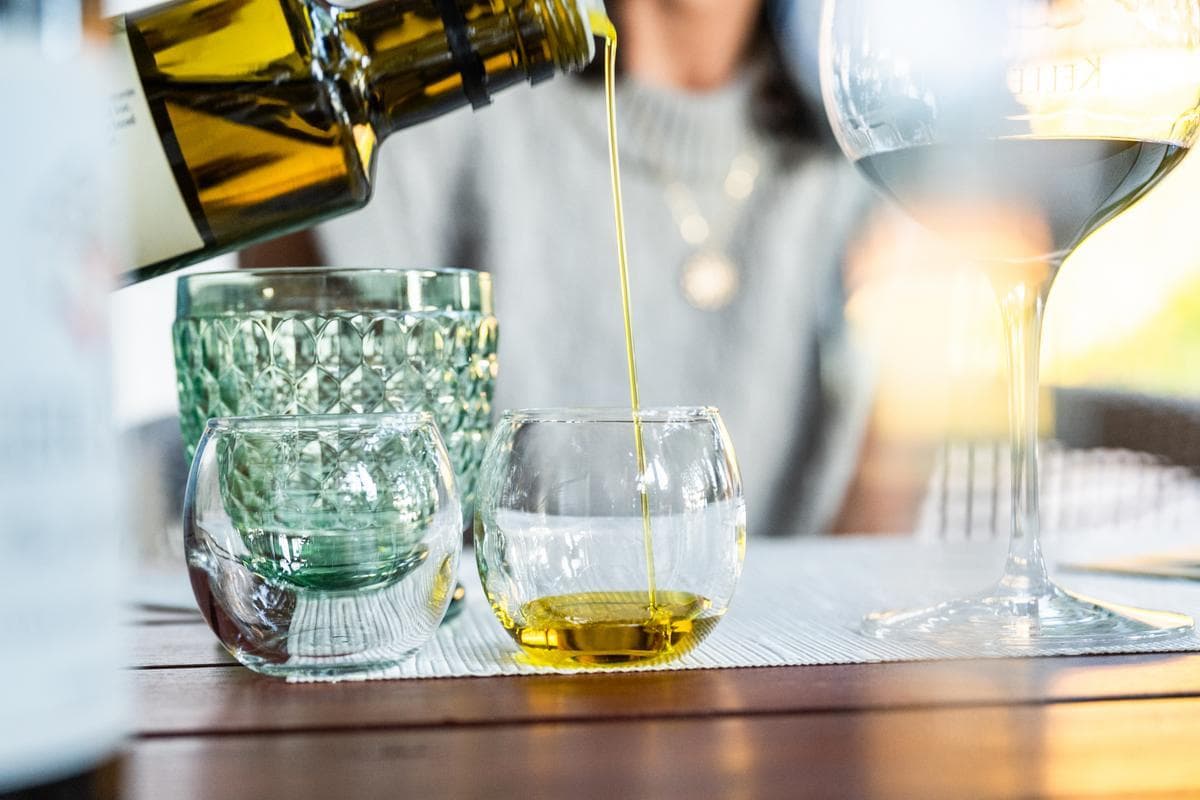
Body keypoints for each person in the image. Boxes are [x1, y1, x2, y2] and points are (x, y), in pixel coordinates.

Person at [244, 0, 883, 537]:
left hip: (763, 672)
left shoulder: (870, 163)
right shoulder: (447, 91)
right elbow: (289, 431)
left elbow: (877, 570)